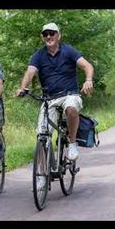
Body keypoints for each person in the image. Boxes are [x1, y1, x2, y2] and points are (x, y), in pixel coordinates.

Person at [16, 22, 94, 161]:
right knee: (42, 136)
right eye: (45, 34)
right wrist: (23, 88)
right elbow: (30, 72)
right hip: (49, 98)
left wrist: (88, 80)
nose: (49, 36)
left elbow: (87, 66)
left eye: (52, 33)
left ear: (58, 35)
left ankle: (72, 142)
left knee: (71, 108)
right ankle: (41, 175)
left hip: (70, 94)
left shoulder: (68, 50)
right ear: (42, 37)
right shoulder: (39, 55)